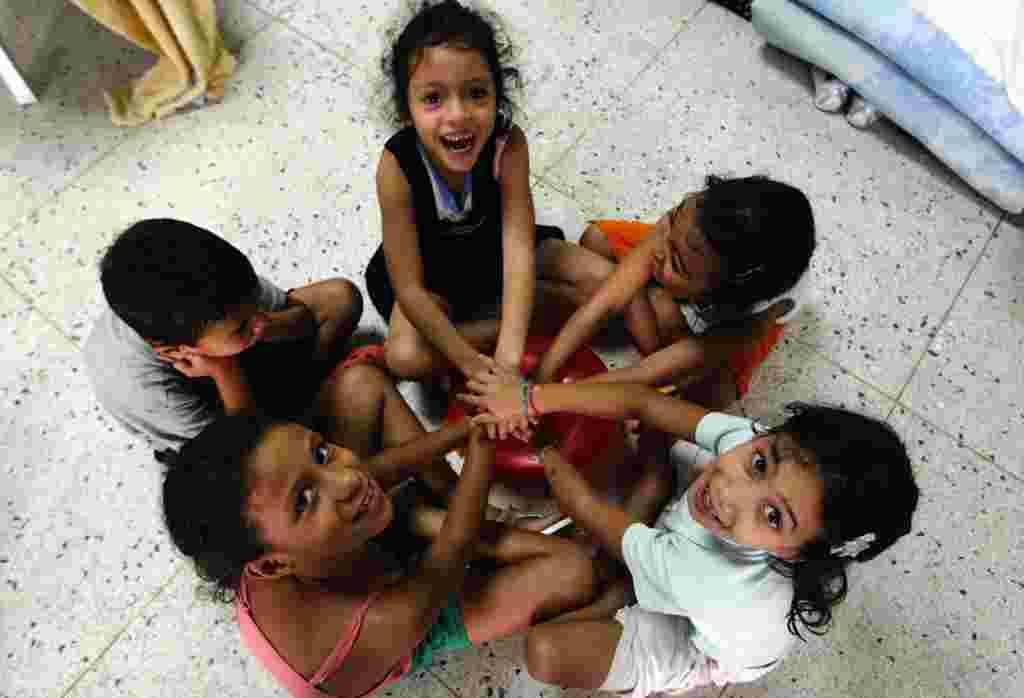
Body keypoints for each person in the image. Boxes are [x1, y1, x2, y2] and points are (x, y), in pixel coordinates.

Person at [462, 378, 920, 697]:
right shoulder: (763, 443)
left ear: (796, 552)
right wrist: (530, 397)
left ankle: (671, 666)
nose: (727, 492)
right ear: (773, 437)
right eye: (758, 465)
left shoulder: (717, 581)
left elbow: (585, 507)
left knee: (546, 649)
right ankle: (646, 560)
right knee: (661, 430)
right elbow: (642, 403)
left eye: (773, 516)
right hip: (693, 575)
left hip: (707, 642)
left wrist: (542, 447)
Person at [162, 409, 602, 698]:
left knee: (359, 386)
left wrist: (462, 428)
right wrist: (483, 447)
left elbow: (376, 471)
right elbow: (454, 548)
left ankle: (427, 515)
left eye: (321, 452)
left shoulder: (285, 536)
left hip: (354, 558)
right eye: (305, 499)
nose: (346, 480)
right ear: (272, 564)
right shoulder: (381, 623)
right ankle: (439, 517)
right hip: (401, 621)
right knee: (575, 570)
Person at [365, 0, 566, 383]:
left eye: (476, 93)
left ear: (497, 94)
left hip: (492, 251)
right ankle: (541, 314)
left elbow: (518, 248)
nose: (458, 115)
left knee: (597, 275)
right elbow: (409, 288)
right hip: (431, 276)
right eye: (433, 98)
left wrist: (508, 360)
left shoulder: (509, 144)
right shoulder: (396, 165)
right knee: (405, 356)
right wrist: (472, 363)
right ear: (405, 109)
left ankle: (523, 316)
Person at [83, 218, 364, 459]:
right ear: (175, 351)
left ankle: (295, 411)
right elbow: (238, 451)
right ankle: (297, 413)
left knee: (340, 299)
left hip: (239, 366)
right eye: (242, 326)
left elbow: (303, 320)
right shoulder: (149, 392)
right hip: (215, 428)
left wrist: (264, 327)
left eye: (255, 305)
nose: (257, 317)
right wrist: (223, 370)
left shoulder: (220, 287)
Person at [535, 174, 816, 408]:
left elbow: (646, 373)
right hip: (692, 259)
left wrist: (547, 398)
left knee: (710, 394)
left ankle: (661, 309)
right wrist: (543, 374)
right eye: (671, 219)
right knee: (596, 239)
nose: (657, 251)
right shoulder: (689, 225)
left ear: (717, 292)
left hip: (734, 320)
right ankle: (661, 300)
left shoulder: (760, 314)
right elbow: (603, 304)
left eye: (677, 264)